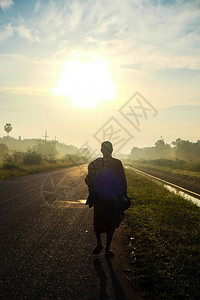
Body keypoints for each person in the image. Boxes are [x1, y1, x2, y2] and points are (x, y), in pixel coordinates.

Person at [85, 141, 127, 256]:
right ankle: (107, 249)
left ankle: (99, 242)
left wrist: (93, 190)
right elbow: (122, 180)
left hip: (99, 198)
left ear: (101, 151)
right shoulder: (117, 163)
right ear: (112, 150)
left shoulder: (95, 164)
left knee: (98, 220)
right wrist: (123, 194)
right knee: (111, 223)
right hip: (113, 199)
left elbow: (88, 180)